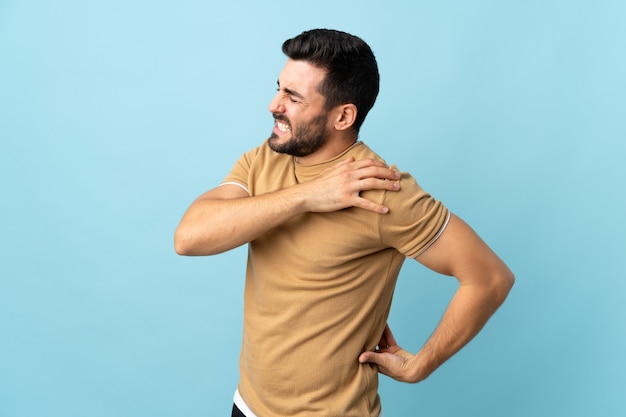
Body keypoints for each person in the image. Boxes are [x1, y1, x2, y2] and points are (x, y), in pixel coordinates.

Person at [174, 28, 514, 417]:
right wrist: (307, 196)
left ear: (343, 115)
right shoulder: (264, 160)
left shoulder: (381, 190)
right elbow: (189, 238)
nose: (273, 104)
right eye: (279, 88)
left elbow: (489, 278)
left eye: (293, 97)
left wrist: (421, 365)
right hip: (248, 406)